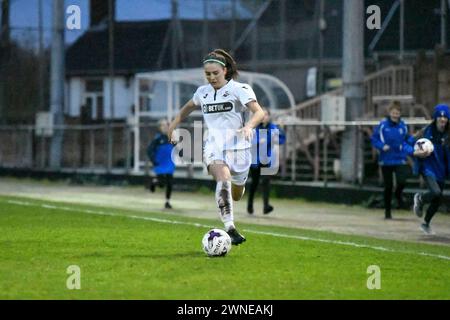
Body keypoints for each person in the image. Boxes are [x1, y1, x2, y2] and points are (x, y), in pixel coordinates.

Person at [168, 49, 265, 245]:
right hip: (213, 146)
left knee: (237, 194)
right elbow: (186, 109)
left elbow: (259, 112)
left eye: (215, 73)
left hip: (239, 149)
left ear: (225, 70)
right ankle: (230, 227)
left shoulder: (240, 89)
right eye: (207, 74)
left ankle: (240, 186)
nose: (211, 77)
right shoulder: (202, 93)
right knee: (223, 177)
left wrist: (248, 126)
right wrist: (171, 127)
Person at [371, 101, 414, 219]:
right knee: (388, 186)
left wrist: (413, 144)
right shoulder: (383, 125)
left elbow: (407, 139)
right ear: (389, 113)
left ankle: (398, 195)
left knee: (402, 181)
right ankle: (388, 212)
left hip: (400, 159)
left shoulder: (403, 126)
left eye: (397, 113)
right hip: (386, 160)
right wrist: (381, 146)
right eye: (393, 113)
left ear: (400, 114)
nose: (395, 115)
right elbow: (374, 139)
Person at [412, 104, 450, 235]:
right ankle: (420, 199)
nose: (443, 119)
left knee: (437, 200)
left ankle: (426, 223)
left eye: (445, 117)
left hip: (442, 169)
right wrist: (415, 153)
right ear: (435, 118)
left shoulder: (448, 134)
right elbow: (409, 143)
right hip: (427, 167)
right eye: (440, 116)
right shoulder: (426, 131)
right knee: (436, 192)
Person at [247, 107, 286, 215]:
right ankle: (250, 204)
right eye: (262, 115)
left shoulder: (273, 128)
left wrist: (281, 129)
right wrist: (260, 141)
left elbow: (281, 139)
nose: (264, 117)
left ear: (269, 116)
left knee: (266, 182)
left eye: (266, 115)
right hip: (255, 160)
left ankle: (266, 206)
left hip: (267, 160)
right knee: (254, 183)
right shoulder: (254, 128)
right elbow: (250, 142)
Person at [147, 119, 176, 209]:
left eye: (167, 125)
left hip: (169, 163)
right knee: (162, 183)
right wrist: (153, 160)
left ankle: (167, 202)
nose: (166, 127)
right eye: (163, 125)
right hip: (160, 163)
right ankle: (154, 182)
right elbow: (149, 150)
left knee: (170, 183)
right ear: (160, 127)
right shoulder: (157, 139)